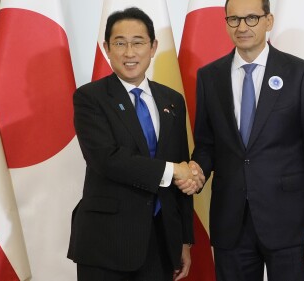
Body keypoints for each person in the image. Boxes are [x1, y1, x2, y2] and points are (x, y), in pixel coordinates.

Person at [189, 0, 304, 280]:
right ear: (226, 23)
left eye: (252, 18)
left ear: (269, 21)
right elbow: (207, 145)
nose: (242, 27)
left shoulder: (300, 73)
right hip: (230, 224)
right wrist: (195, 173)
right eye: (234, 20)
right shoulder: (209, 77)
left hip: (289, 224)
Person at [67, 7, 203, 281]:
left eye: (138, 42)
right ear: (106, 48)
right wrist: (173, 170)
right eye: (120, 43)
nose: (130, 53)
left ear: (153, 47)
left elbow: (181, 169)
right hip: (107, 243)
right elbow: (106, 159)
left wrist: (184, 240)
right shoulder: (90, 98)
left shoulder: (172, 100)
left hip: (161, 241)